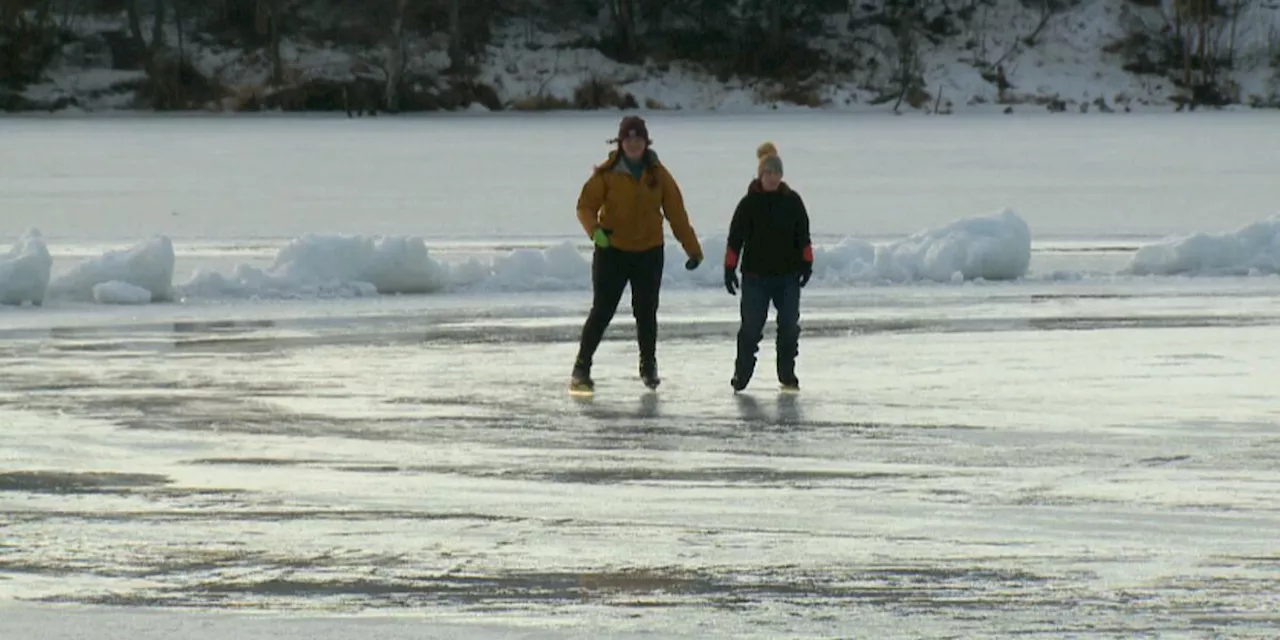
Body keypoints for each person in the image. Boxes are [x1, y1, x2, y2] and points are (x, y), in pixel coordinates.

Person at [570, 115, 704, 393]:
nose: (633, 144)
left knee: (646, 312)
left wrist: (692, 248)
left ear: (645, 142)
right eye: (628, 139)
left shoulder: (658, 174)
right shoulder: (606, 174)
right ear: (620, 143)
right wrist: (594, 231)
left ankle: (648, 366)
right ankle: (581, 367)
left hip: (649, 253)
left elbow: (676, 214)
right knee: (602, 310)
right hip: (612, 252)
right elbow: (584, 206)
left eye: (638, 139)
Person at [723, 142, 813, 392]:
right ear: (761, 175)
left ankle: (786, 373)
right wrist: (729, 269)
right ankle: (741, 374)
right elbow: (734, 240)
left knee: (788, 326)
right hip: (755, 277)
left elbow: (803, 235)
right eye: (768, 173)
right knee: (751, 327)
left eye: (776, 173)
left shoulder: (792, 201)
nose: (772, 178)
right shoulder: (748, 204)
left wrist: (807, 262)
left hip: (788, 276)